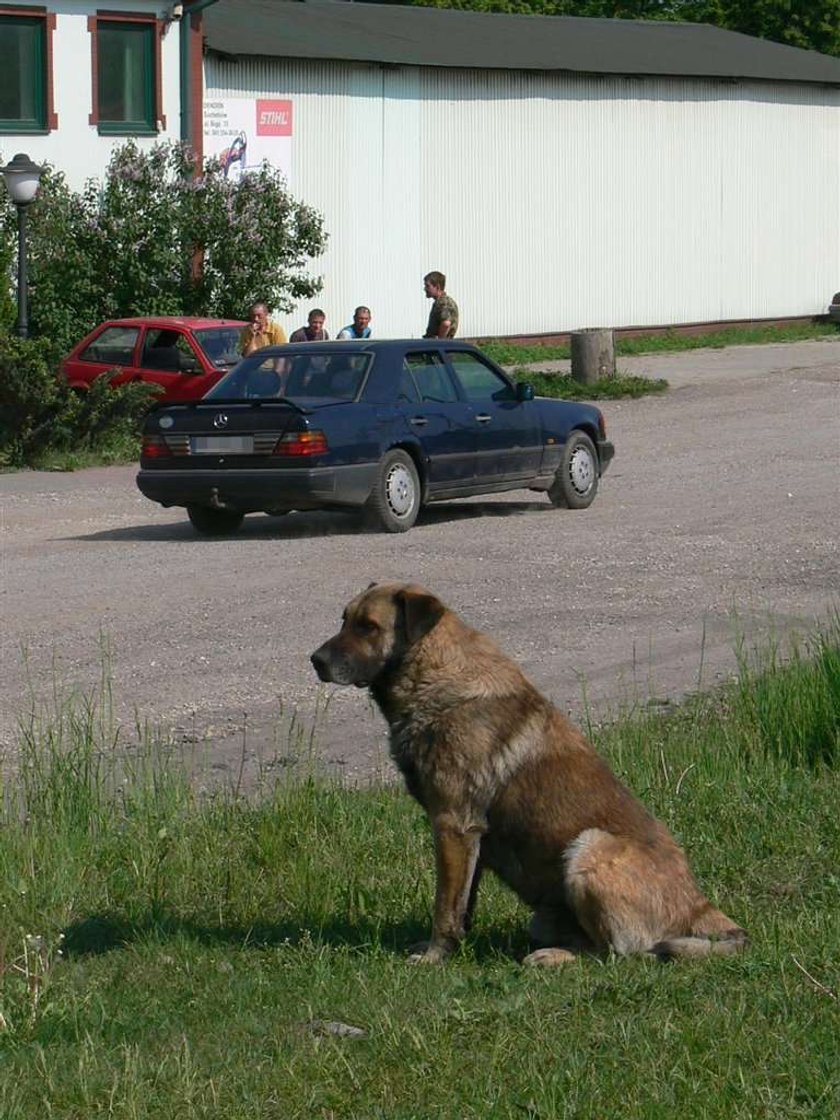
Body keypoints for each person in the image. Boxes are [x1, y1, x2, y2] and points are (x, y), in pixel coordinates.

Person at [422, 271, 459, 339]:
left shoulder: (444, 303)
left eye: (427, 286)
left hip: (439, 345)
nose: (425, 289)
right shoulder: (440, 302)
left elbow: (446, 323)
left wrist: (439, 341)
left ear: (437, 287)